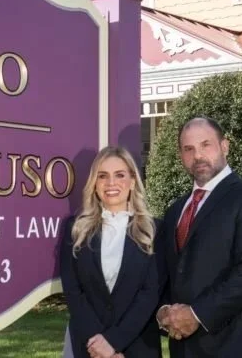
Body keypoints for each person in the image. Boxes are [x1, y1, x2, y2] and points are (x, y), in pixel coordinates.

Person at [156, 116, 242, 358]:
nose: (198, 155)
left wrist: (197, 314)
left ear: (225, 146)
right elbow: (168, 273)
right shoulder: (175, 210)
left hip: (237, 345)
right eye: (188, 149)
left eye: (206, 145)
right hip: (184, 348)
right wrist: (163, 311)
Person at [59, 145, 165, 358]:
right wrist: (99, 345)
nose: (111, 183)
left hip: (138, 346)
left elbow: (150, 294)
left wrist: (114, 342)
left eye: (119, 175)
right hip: (88, 346)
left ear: (133, 181)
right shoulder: (75, 228)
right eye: (102, 176)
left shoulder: (154, 230)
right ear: (94, 184)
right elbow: (73, 291)